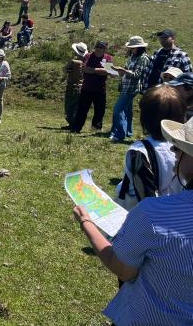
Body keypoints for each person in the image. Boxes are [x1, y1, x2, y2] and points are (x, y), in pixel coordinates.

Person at [72, 115, 193, 326]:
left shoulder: (153, 213)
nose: (174, 152)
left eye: (180, 148)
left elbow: (124, 270)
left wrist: (87, 223)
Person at [115, 86, 186, 209]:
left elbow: (147, 199)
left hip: (143, 217)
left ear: (145, 118)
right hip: (175, 212)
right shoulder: (185, 147)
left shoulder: (139, 152)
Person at [109, 36, 151, 142]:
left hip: (132, 88)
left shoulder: (143, 58)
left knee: (118, 109)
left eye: (133, 47)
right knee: (127, 110)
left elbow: (137, 74)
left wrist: (123, 70)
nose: (131, 49)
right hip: (126, 86)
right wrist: (118, 71)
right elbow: (127, 70)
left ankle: (120, 134)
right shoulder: (133, 57)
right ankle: (128, 131)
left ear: (139, 47)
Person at [70, 41, 113, 133]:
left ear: (105, 49)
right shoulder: (88, 56)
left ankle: (96, 128)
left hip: (100, 89)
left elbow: (109, 72)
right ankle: (76, 128)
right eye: (97, 46)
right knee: (82, 110)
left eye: (101, 47)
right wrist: (100, 70)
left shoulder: (108, 58)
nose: (98, 48)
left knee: (99, 111)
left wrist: (93, 70)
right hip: (87, 88)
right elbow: (85, 69)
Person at [64, 42, 87, 127]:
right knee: (76, 106)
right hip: (81, 86)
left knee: (70, 105)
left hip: (72, 85)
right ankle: (74, 123)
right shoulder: (85, 62)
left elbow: (65, 70)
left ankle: (72, 123)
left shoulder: (73, 62)